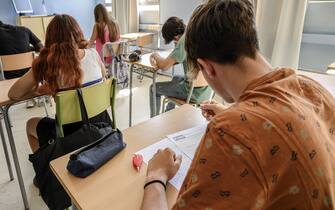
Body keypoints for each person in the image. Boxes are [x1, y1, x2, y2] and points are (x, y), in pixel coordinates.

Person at [141, 0, 335, 210]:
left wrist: (156, 176)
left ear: (206, 67)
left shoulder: (231, 132)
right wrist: (234, 112)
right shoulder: (314, 90)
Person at [8, 14, 108, 154]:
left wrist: (40, 90)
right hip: (104, 128)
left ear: (50, 38)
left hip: (69, 136)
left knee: (30, 124)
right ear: (77, 33)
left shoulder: (47, 63)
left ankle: (46, 169)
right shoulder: (93, 54)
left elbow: (13, 94)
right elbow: (103, 79)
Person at [149, 17, 212, 117]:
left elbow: (164, 66)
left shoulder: (183, 40)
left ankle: (153, 119)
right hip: (206, 90)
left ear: (175, 37)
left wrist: (155, 55)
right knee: (176, 78)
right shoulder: (194, 34)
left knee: (153, 87)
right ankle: (168, 114)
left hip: (193, 93)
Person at [0, 20, 44, 107]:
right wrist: (28, 49)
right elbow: (40, 47)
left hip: (7, 77)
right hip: (29, 75)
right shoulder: (24, 30)